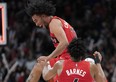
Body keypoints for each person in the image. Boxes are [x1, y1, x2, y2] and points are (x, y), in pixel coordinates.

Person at [25, 0, 77, 82]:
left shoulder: (54, 23)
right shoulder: (57, 22)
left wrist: (48, 58)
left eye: (36, 20)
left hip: (68, 59)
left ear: (42, 16)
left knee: (39, 66)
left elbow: (64, 43)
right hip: (70, 57)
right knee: (48, 72)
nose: (36, 24)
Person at [42, 38, 107, 82]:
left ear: (69, 53)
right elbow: (103, 81)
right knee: (90, 61)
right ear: (82, 54)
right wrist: (98, 62)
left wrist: (45, 64)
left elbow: (46, 77)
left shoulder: (60, 64)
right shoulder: (91, 66)